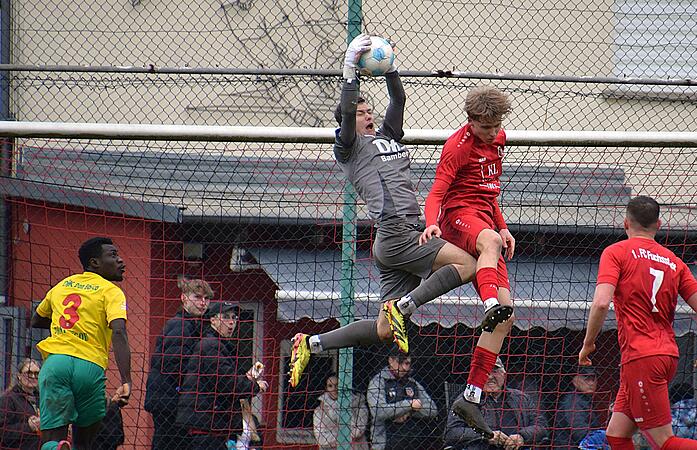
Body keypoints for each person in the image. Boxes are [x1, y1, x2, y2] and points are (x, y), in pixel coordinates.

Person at [290, 34, 503, 388]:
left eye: (368, 110)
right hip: (398, 231)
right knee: (466, 263)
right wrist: (349, 71)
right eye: (360, 113)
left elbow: (398, 98)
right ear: (347, 122)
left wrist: (390, 68)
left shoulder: (388, 135)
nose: (368, 115)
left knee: (383, 331)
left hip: (395, 241)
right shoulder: (349, 147)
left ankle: (312, 343)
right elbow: (345, 112)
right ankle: (404, 307)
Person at [578, 196, 697, 450]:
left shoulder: (616, 252)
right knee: (617, 435)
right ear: (659, 225)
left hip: (641, 358)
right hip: (666, 355)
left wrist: (588, 344)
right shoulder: (675, 262)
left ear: (625, 224)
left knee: (664, 441)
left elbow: (600, 304)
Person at [421, 85, 515, 438]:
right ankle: (488, 302)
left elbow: (489, 193)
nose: (493, 132)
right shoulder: (456, 148)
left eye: (497, 126)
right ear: (471, 121)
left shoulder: (500, 139)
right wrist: (431, 222)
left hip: (486, 220)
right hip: (459, 217)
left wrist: (504, 227)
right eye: (487, 127)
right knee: (489, 248)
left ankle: (471, 396)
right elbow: (436, 193)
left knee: (507, 318)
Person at [31, 237, 132, 450]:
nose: (120, 261)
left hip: (55, 364)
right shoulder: (111, 291)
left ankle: (56, 448)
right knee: (84, 442)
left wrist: (66, 326)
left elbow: (36, 320)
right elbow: (119, 331)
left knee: (51, 438)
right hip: (89, 367)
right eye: (113, 256)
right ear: (94, 262)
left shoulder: (62, 285)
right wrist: (126, 380)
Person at [175, 302, 268, 449]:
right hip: (205, 424)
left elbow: (224, 379)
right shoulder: (211, 345)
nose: (231, 322)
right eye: (225, 317)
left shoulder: (218, 345)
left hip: (210, 423)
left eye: (234, 317)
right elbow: (226, 383)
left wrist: (247, 380)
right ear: (213, 320)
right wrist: (256, 386)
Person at [145, 277, 213, 449]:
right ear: (184, 298)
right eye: (197, 297)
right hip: (169, 401)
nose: (203, 303)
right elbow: (174, 365)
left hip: (170, 400)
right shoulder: (181, 325)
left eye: (207, 298)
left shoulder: (190, 324)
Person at [445, 357, 548, 450]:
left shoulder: (521, 398)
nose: (490, 377)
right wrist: (486, 436)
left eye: (494, 371)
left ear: (504, 374)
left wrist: (521, 437)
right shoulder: (468, 398)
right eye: (485, 371)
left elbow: (541, 426)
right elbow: (451, 433)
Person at [367, 349, 439, 450]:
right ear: (391, 360)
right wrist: (408, 405)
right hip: (384, 445)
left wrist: (409, 412)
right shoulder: (378, 382)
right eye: (401, 363)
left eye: (407, 363)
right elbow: (378, 411)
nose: (405, 368)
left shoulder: (412, 383)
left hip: (413, 444)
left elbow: (432, 409)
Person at [313, 374, 369, 450]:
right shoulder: (319, 411)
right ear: (326, 388)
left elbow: (357, 432)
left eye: (337, 385)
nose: (334, 389)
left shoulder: (359, 404)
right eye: (330, 386)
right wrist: (346, 433)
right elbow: (322, 439)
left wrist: (345, 408)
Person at [553, 366, 604, 449]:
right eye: (586, 379)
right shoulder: (573, 401)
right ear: (575, 380)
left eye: (593, 379)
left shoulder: (584, 399)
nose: (591, 383)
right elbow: (579, 432)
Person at [0, 359, 41, 450]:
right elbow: (2, 432)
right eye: (28, 373)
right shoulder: (8, 399)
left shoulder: (41, 398)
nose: (33, 376)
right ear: (19, 375)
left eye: (36, 373)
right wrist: (29, 426)